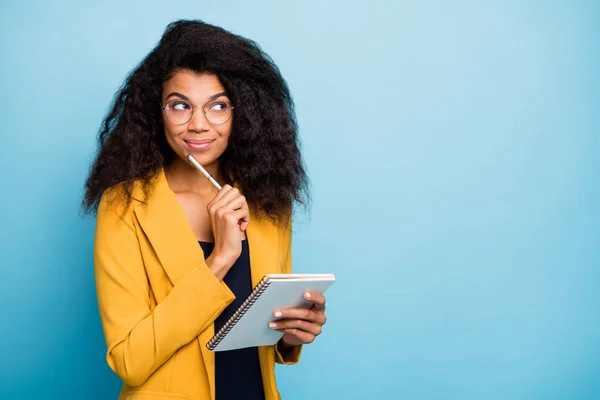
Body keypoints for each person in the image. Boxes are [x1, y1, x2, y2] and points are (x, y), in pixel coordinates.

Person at [82, 19, 328, 400]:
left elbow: (263, 333)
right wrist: (221, 258)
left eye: (218, 107)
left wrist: (293, 333)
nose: (198, 125)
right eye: (180, 106)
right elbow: (129, 360)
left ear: (242, 113)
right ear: (157, 112)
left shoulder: (268, 201)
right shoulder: (126, 207)